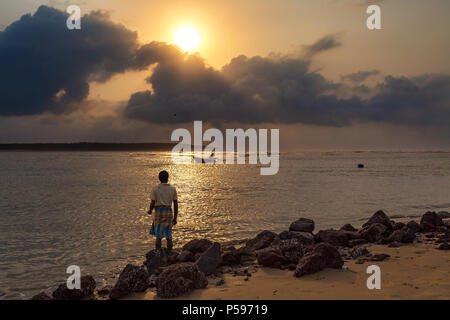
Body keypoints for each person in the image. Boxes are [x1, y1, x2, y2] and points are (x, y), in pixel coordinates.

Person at [147, 170, 178, 251]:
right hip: (168, 211)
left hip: (159, 212)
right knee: (168, 235)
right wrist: (175, 217)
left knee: (158, 236)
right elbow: (175, 204)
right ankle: (170, 253)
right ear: (168, 178)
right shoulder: (172, 189)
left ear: (159, 178)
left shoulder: (155, 189)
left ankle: (158, 253)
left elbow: (153, 202)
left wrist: (150, 210)